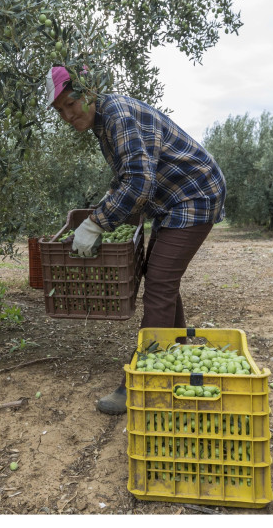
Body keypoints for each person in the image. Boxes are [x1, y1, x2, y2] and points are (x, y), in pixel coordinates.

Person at [45, 66, 226, 415]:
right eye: (60, 110)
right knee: (162, 280)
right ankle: (182, 354)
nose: (69, 115)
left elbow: (139, 183)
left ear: (90, 92)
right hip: (172, 202)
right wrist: (103, 211)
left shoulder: (117, 115)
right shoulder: (104, 122)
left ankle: (141, 381)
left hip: (194, 195)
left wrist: (97, 223)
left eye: (72, 103)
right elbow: (128, 177)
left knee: (159, 283)